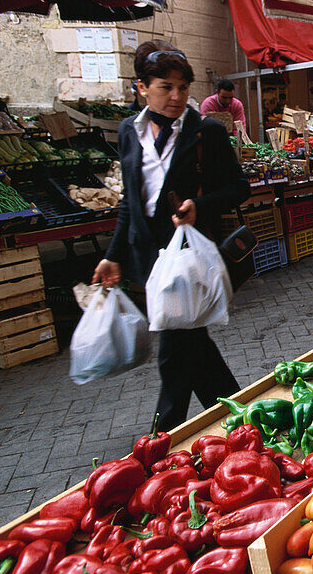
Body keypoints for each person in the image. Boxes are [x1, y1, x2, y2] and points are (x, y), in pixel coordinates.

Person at [93, 40, 249, 431]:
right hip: (148, 258)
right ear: (142, 87)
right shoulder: (129, 131)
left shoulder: (206, 132)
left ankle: (163, 435)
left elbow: (238, 189)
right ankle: (240, 421)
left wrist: (202, 207)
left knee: (176, 347)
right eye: (166, 86)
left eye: (183, 87)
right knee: (190, 345)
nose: (177, 96)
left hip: (188, 256)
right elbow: (131, 201)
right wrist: (114, 255)